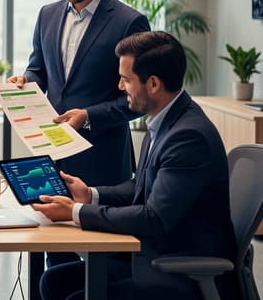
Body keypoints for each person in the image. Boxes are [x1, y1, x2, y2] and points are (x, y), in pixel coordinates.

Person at [33, 31, 237, 300]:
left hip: (178, 271)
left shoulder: (188, 137)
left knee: (74, 295)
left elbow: (153, 219)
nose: (120, 87)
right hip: (151, 256)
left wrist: (76, 212)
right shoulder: (164, 120)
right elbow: (141, 186)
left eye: (126, 79)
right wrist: (91, 194)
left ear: (153, 84)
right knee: (55, 281)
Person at [8, 0, 150, 187]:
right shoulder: (46, 15)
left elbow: (137, 101)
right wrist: (24, 81)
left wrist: (88, 116)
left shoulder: (129, 22)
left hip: (102, 166)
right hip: (50, 159)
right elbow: (38, 70)